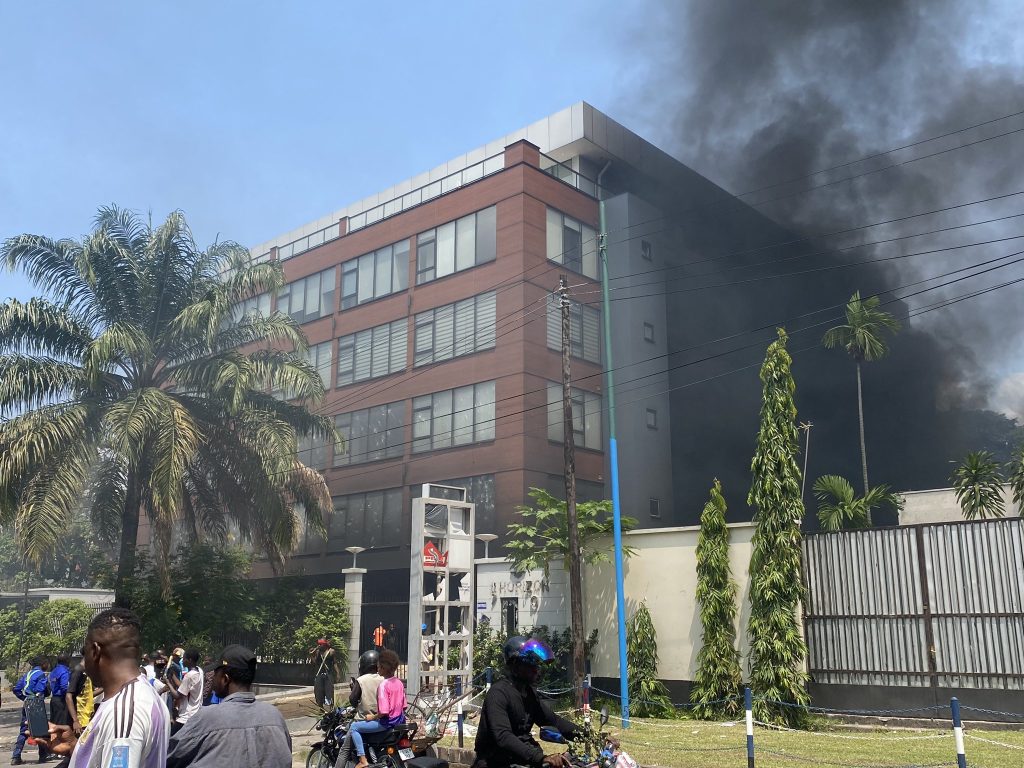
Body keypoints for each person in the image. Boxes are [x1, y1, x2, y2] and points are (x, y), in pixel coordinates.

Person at [40, 607, 170, 768]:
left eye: (85, 652)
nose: (84, 662)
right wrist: (75, 748)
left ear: (95, 651)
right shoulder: (146, 694)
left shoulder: (123, 712)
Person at [165, 644, 292, 767]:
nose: (213, 678)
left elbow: (170, 758)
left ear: (224, 679)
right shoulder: (275, 717)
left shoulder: (206, 719)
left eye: (216, 673)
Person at [472, 637, 579, 768]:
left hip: (521, 761)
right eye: (530, 664)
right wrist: (540, 758)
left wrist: (588, 735)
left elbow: (554, 721)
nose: (536, 669)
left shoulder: (529, 694)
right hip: (496, 762)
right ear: (515, 665)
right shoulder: (498, 693)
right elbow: (503, 736)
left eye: (536, 664)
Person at [347, 649, 405, 768]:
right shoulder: (399, 683)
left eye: (378, 667)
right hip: (399, 722)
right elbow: (404, 706)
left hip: (386, 723)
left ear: (383, 668)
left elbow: (383, 711)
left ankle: (362, 760)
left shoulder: (383, 685)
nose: (377, 669)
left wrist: (371, 717)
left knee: (354, 727)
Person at [11, 656, 53, 765]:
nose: (48, 665)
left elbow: (16, 689)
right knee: (40, 729)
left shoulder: (27, 674)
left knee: (24, 729)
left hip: (27, 703)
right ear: (42, 664)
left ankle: (16, 756)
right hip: (36, 704)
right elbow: (40, 690)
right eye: (47, 663)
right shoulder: (41, 674)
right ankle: (43, 756)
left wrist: (24, 698)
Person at [168, 649, 203, 735]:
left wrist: (168, 683)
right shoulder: (200, 671)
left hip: (186, 717)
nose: (182, 661)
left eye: (184, 659)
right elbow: (184, 687)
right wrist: (173, 675)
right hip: (196, 713)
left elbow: (177, 695)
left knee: (172, 738)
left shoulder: (189, 675)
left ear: (189, 660)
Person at [347, 650, 383, 716]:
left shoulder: (361, 680)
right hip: (383, 717)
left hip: (365, 718)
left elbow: (353, 700)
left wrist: (353, 689)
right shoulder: (385, 679)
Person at [67, 661, 93, 735]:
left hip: (87, 717)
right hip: (80, 720)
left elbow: (87, 695)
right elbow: (68, 696)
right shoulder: (78, 672)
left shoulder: (86, 673)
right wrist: (75, 721)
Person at [308, 638, 335, 708]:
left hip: (328, 675)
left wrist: (338, 674)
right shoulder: (318, 652)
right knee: (318, 692)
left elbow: (335, 663)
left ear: (325, 645)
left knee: (329, 691)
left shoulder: (331, 651)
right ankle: (321, 708)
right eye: (319, 644)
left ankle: (331, 707)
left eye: (321, 644)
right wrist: (311, 655)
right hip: (319, 674)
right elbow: (315, 663)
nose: (319, 646)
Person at [49, 654, 73, 728]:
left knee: (54, 721)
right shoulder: (64, 671)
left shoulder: (54, 671)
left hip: (54, 699)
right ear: (67, 661)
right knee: (61, 723)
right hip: (61, 700)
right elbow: (64, 687)